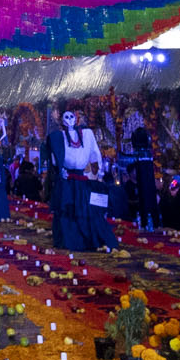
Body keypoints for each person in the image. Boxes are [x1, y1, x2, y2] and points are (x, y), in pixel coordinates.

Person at [47, 107, 106, 252]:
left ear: (76, 118)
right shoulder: (58, 136)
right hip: (67, 180)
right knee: (67, 210)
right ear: (62, 121)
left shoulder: (86, 134)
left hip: (81, 179)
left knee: (83, 209)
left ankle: (84, 238)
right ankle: (68, 239)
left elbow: (95, 153)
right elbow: (55, 158)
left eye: (71, 117)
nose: (69, 120)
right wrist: (60, 170)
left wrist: (100, 172)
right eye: (66, 117)